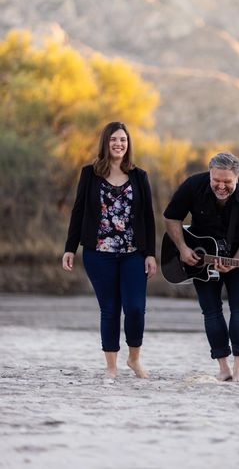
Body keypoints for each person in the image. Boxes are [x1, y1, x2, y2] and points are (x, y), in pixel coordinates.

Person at [62, 121, 156, 379]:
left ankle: (134, 359)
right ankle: (111, 367)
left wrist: (150, 254)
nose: (119, 144)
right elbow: (78, 210)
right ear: (106, 142)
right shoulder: (89, 173)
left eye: (123, 140)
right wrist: (70, 247)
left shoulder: (139, 176)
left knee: (135, 308)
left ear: (128, 144)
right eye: (114, 139)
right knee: (110, 309)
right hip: (98, 253)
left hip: (133, 253)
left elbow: (148, 217)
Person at [163, 152, 239, 383]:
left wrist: (235, 261)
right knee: (211, 309)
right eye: (216, 180)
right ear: (209, 175)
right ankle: (223, 368)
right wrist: (182, 248)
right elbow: (171, 217)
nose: (221, 186)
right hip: (200, 257)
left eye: (227, 182)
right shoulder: (193, 185)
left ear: (237, 178)